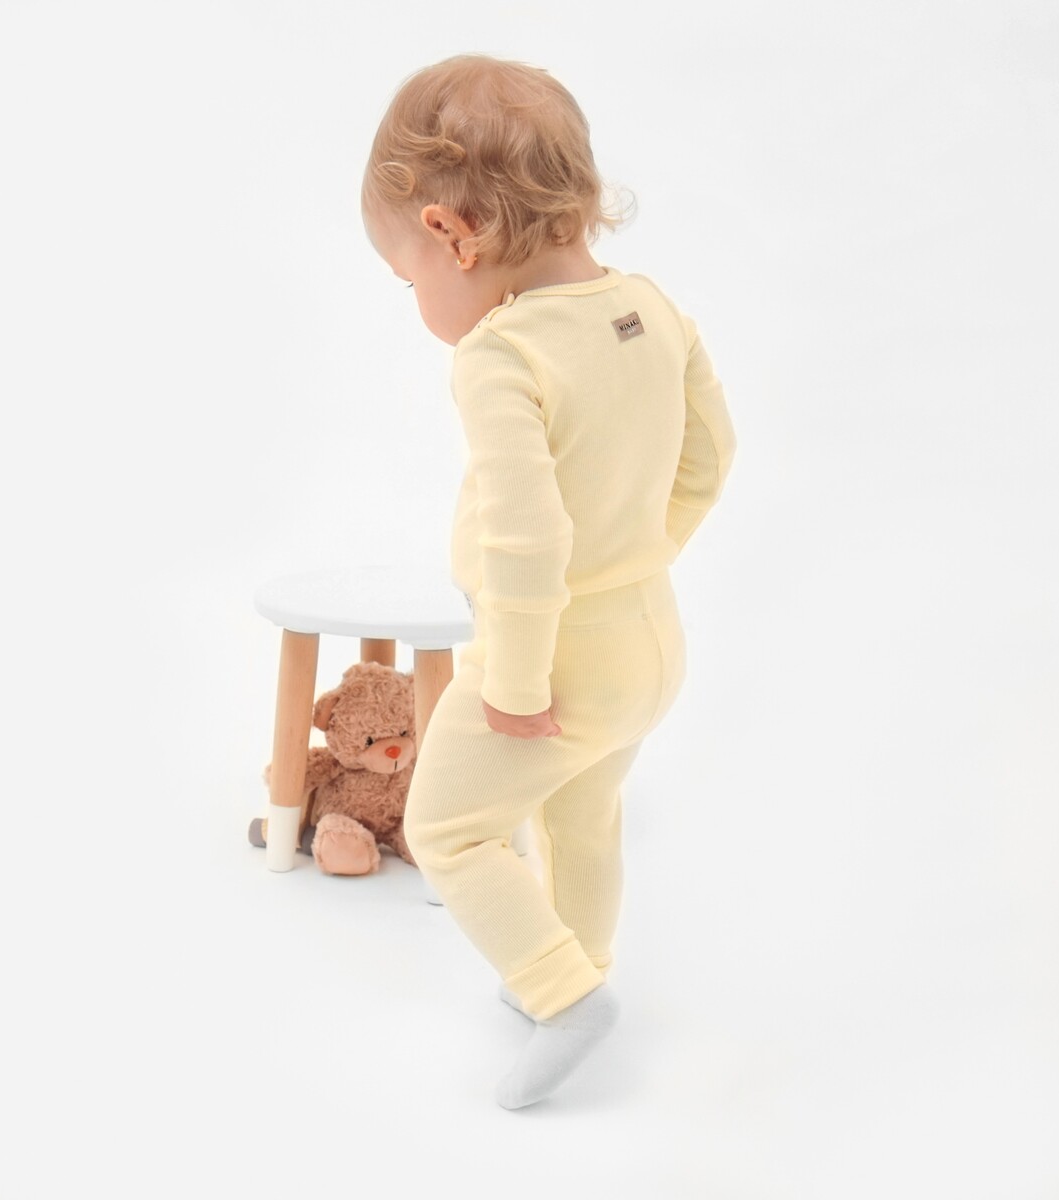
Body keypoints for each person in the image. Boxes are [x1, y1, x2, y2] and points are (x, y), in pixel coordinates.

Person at [362, 52, 737, 1110]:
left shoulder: (502, 352)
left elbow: (525, 537)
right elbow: (712, 456)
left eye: (409, 282)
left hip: (552, 658)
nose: (419, 302)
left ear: (451, 233)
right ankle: (579, 966)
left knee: (449, 829)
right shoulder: (654, 310)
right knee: (583, 814)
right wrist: (643, 557)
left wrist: (518, 681)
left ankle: (564, 997)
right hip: (648, 643)